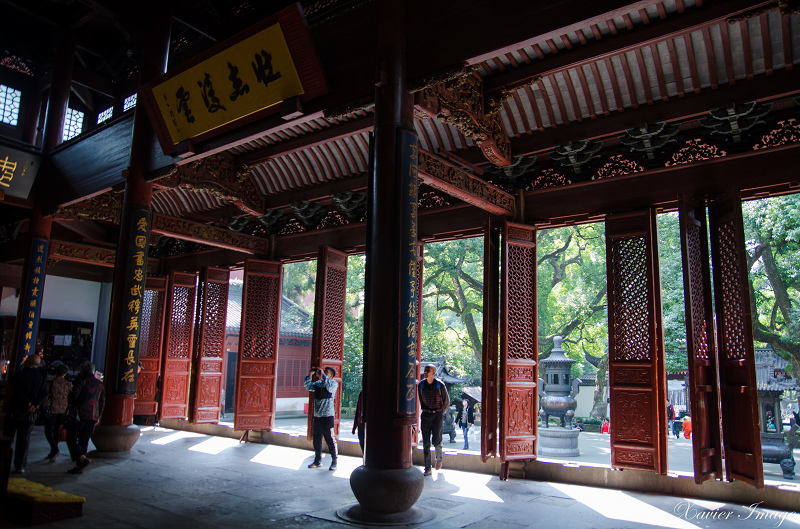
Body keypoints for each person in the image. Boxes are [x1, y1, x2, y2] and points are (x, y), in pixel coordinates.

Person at [4, 354, 48, 473]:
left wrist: (27, 403)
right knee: (24, 439)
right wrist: (34, 404)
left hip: (15, 410)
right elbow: (44, 393)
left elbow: (16, 393)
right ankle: (20, 465)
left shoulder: (18, 376)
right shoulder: (41, 377)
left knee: (8, 438)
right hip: (30, 413)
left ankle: (3, 463)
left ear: (27, 363)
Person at [66, 361, 106, 475]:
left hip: (80, 413)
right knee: (84, 440)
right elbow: (102, 401)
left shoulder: (81, 381)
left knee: (71, 438)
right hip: (93, 415)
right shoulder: (99, 383)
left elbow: (74, 395)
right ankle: (80, 465)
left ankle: (82, 459)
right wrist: (99, 415)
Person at [303, 366, 338, 470]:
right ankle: (317, 460)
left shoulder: (333, 383)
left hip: (327, 416)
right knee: (317, 439)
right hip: (317, 416)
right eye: (324, 371)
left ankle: (334, 460)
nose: (323, 373)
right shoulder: (318, 384)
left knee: (330, 439)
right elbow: (308, 386)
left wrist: (323, 375)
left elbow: (328, 385)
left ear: (331, 375)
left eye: (327, 372)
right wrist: (310, 375)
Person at [418, 365, 449, 475]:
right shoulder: (421, 385)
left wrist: (440, 412)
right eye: (425, 370)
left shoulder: (440, 385)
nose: (425, 372)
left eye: (428, 371)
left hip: (437, 415)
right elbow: (421, 400)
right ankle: (428, 468)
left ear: (434, 372)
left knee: (437, 440)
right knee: (426, 443)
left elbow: (446, 401)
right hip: (426, 414)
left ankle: (438, 459)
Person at [44, 363, 72, 462]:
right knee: (56, 430)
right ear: (66, 373)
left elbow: (46, 397)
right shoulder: (68, 384)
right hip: (63, 410)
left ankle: (55, 449)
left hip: (52, 409)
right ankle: (53, 451)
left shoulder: (51, 383)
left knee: (48, 431)